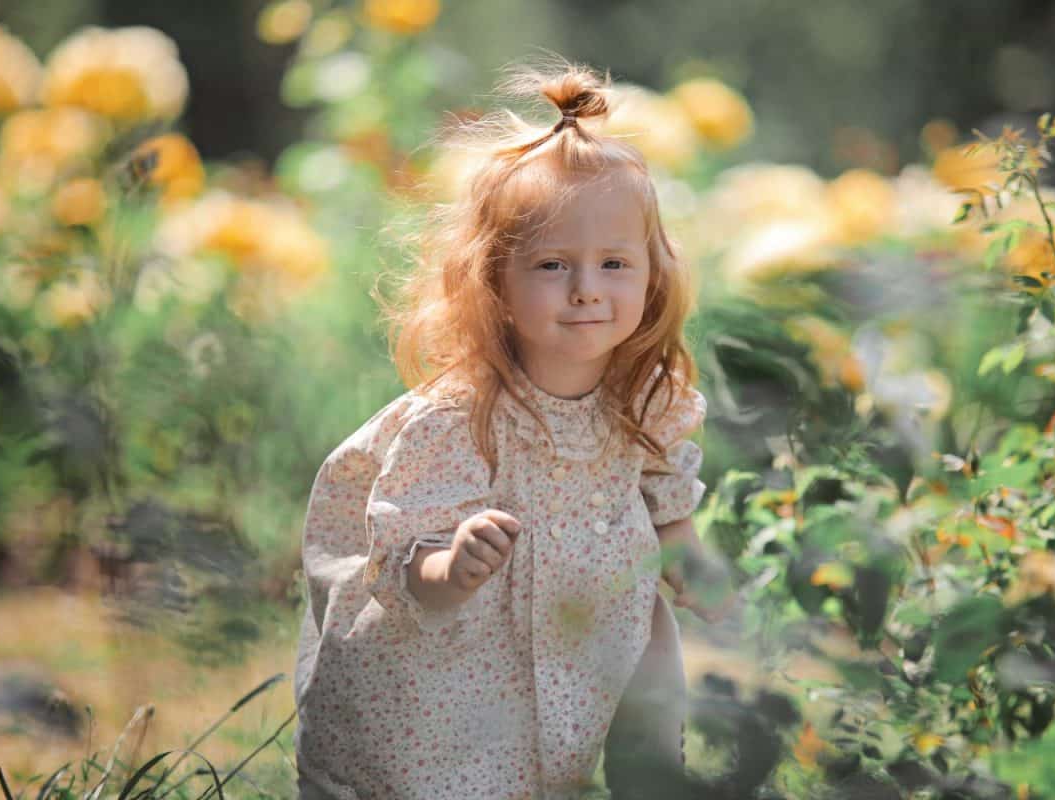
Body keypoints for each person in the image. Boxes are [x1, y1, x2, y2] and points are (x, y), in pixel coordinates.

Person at [293, 61, 736, 800]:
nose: (588, 287)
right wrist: (453, 565)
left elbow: (669, 514)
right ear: (495, 281)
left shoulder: (644, 400)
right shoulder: (460, 419)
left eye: (615, 263)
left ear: (652, 276)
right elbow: (404, 567)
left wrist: (693, 566)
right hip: (457, 673)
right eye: (553, 264)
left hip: (594, 641)